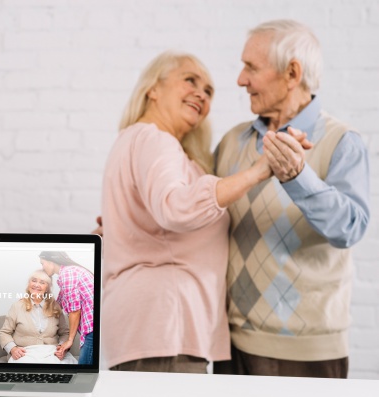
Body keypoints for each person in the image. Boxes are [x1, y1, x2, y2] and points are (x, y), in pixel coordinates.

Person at [99, 50, 303, 374]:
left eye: (209, 91)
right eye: (190, 80)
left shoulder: (135, 139)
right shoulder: (156, 140)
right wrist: (258, 171)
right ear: (153, 89)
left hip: (150, 325)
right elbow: (175, 209)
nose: (201, 94)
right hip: (166, 324)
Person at [213, 20, 370, 378]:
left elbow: (350, 228)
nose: (240, 80)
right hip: (231, 345)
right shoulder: (232, 142)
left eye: (251, 67)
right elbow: (201, 209)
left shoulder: (342, 142)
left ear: (292, 73)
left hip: (307, 352)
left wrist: (298, 177)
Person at [0, 270, 76, 364]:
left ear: (47, 288)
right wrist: (13, 349)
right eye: (34, 280)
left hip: (51, 352)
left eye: (42, 282)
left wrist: (62, 348)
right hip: (25, 353)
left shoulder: (55, 307)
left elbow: (65, 333)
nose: (36, 285)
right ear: (29, 284)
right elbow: (4, 333)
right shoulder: (17, 306)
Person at [38, 251, 95, 365]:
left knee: (83, 372)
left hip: (92, 327)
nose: (42, 267)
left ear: (51, 262)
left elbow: (75, 310)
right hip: (93, 326)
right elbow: (58, 305)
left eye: (42, 263)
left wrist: (70, 340)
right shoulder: (68, 273)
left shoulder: (68, 274)